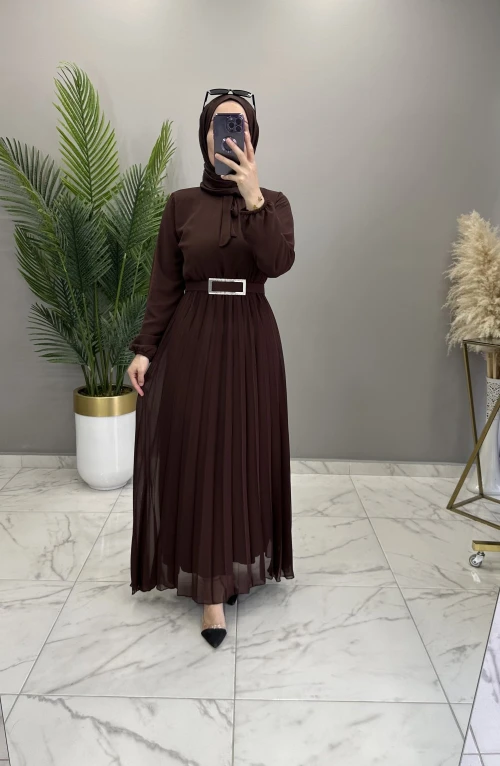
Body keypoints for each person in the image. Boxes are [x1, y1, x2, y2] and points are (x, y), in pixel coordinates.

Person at [127, 90, 295, 649]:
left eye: (238, 124)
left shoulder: (274, 202)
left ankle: (234, 559)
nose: (227, 133)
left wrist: (253, 198)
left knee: (243, 453)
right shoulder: (180, 204)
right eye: (218, 124)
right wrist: (145, 349)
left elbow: (278, 263)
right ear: (204, 136)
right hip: (193, 337)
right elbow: (164, 283)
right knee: (200, 454)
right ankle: (211, 592)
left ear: (252, 136)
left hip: (251, 337)